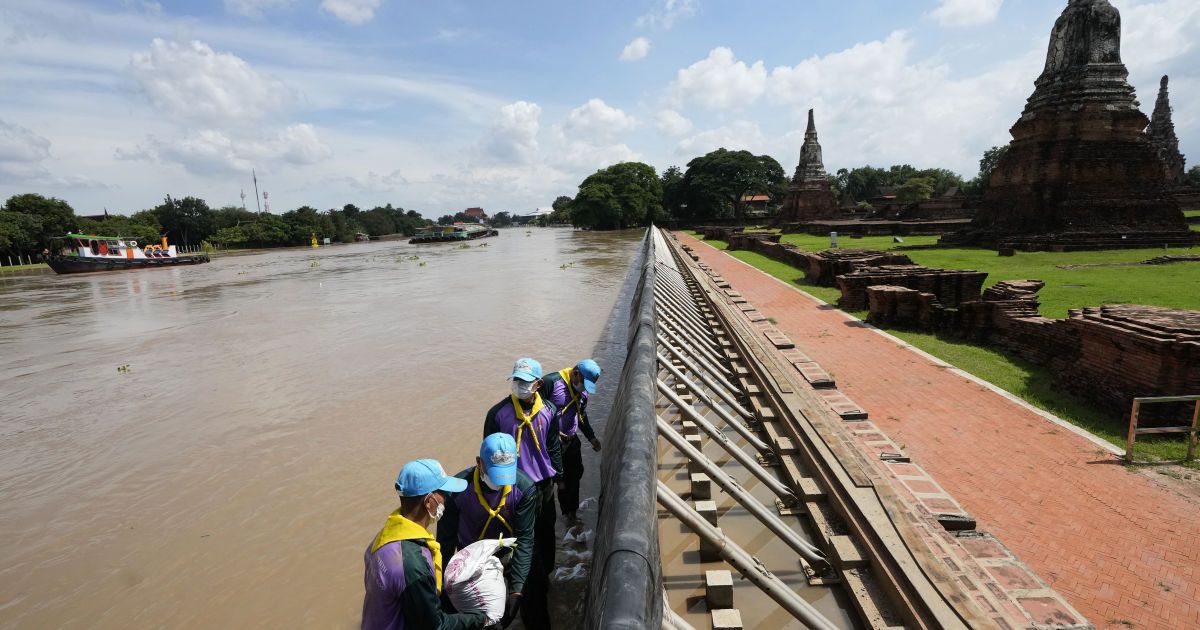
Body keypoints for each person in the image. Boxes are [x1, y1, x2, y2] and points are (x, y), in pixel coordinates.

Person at [361, 459, 486, 630]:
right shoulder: (413, 566)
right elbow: (436, 626)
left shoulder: (384, 537)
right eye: (443, 493)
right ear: (429, 501)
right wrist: (478, 618)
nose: (446, 499)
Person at [438, 433, 543, 629]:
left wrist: (517, 590)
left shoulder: (525, 489)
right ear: (479, 463)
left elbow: (525, 539)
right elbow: (444, 543)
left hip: (511, 551)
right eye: (496, 475)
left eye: (505, 475)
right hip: (473, 558)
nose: (500, 482)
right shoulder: (455, 491)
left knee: (534, 601)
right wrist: (442, 586)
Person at [482, 359, 562, 586]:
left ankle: (545, 574)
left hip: (543, 485)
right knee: (516, 536)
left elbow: (553, 446)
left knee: (546, 531)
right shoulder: (497, 414)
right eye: (516, 379)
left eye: (525, 381)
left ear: (537, 384)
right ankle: (517, 581)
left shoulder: (549, 410)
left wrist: (560, 477)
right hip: (512, 487)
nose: (519, 384)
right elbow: (489, 454)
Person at [538, 359, 602, 522]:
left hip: (571, 442)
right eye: (583, 383)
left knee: (573, 478)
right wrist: (556, 433)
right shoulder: (550, 383)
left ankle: (570, 514)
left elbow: (581, 415)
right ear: (575, 374)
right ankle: (548, 521)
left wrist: (591, 437)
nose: (584, 389)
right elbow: (535, 415)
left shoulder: (583, 391)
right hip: (550, 445)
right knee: (552, 484)